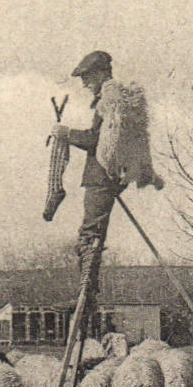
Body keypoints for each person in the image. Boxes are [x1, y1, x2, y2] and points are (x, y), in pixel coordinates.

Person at [54, 50, 120, 319]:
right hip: (103, 176)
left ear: (101, 73)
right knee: (91, 235)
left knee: (90, 236)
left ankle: (86, 296)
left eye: (88, 78)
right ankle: (87, 293)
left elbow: (96, 139)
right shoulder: (111, 98)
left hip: (101, 177)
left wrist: (67, 134)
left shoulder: (110, 99)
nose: (85, 84)